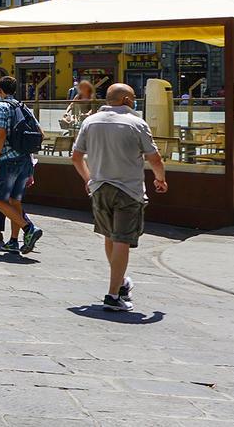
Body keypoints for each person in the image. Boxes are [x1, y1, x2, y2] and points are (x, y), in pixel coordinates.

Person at [68, 82, 167, 313]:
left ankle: (120, 282)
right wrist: (160, 179)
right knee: (122, 239)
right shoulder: (136, 123)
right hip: (128, 190)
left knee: (110, 236)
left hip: (100, 187)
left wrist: (89, 179)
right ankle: (113, 296)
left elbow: (76, 157)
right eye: (133, 98)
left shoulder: (90, 121)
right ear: (126, 100)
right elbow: (154, 158)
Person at [0, 75, 42, 254]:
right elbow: (39, 132)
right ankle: (13, 241)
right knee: (15, 201)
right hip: (25, 159)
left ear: (0, 90)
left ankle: (29, 228)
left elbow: (1, 135)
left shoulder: (1, 106)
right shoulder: (23, 106)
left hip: (8, 160)